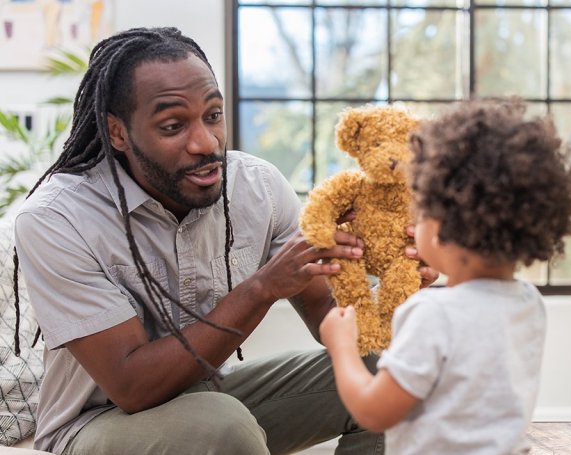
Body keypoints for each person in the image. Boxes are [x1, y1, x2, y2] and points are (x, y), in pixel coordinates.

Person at [12, 27, 436, 455]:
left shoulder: (258, 187)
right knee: (220, 426)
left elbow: (330, 316)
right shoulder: (57, 218)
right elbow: (132, 387)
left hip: (213, 396)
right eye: (173, 125)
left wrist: (400, 297)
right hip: (97, 423)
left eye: (213, 116)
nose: (205, 143)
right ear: (118, 132)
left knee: (395, 371)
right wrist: (263, 288)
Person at [319, 97, 571, 454]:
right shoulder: (529, 304)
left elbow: (373, 411)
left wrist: (342, 346)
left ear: (441, 227)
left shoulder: (432, 314)